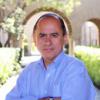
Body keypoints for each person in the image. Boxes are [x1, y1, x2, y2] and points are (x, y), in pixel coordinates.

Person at [6, 13, 96, 100]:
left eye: (54, 35)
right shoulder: (28, 71)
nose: (48, 42)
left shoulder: (75, 69)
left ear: (65, 38)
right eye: (42, 35)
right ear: (34, 38)